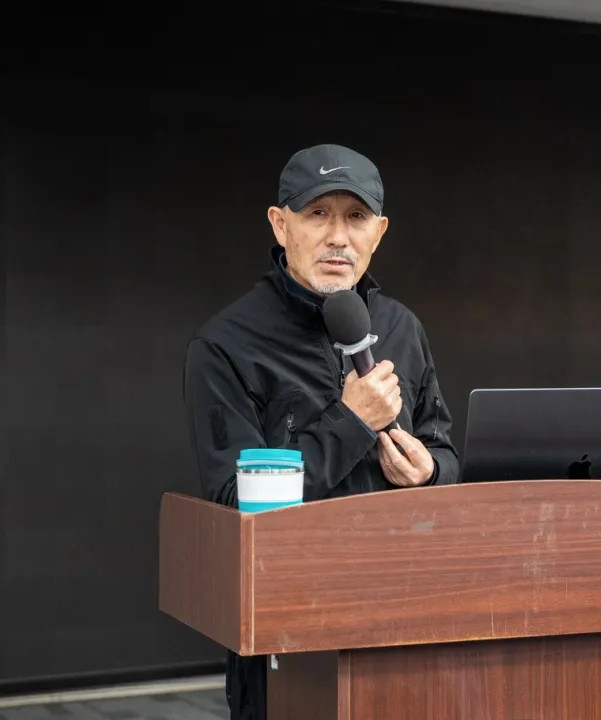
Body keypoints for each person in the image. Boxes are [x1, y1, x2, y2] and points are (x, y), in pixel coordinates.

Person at [182, 143, 460, 719]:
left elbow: (446, 455)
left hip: (405, 617)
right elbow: (236, 502)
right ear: (280, 225)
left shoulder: (402, 327)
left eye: (356, 217)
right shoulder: (225, 345)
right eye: (318, 214)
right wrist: (350, 422)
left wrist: (430, 473)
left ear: (379, 232)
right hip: (289, 633)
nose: (338, 237)